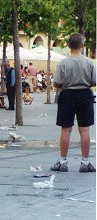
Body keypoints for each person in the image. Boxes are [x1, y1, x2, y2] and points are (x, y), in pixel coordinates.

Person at [50, 33, 96, 173]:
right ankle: (85, 162)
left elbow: (57, 83)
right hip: (85, 94)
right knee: (85, 129)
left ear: (69, 45)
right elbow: (94, 81)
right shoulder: (89, 62)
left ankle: (63, 161)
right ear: (82, 46)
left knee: (66, 129)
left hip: (68, 94)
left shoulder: (63, 63)